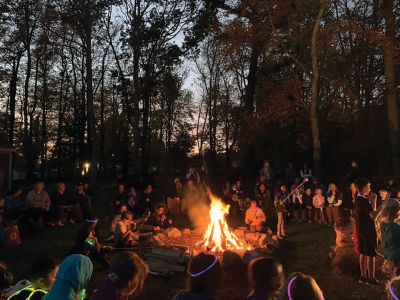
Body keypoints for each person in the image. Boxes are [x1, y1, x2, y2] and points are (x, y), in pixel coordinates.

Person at [353, 178, 379, 285]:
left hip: (361, 231)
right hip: (368, 231)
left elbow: (370, 211)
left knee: (363, 253)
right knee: (371, 254)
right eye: (368, 186)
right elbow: (373, 215)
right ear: (364, 188)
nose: (370, 188)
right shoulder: (363, 201)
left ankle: (363, 276)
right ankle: (371, 278)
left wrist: (372, 202)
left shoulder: (358, 198)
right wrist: (382, 205)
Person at [381, 206, 400, 276]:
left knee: (392, 267)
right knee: (396, 268)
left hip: (387, 251)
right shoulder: (395, 227)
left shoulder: (382, 225)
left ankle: (393, 280)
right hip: (396, 252)